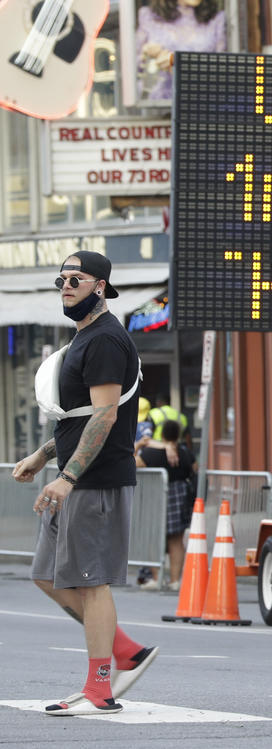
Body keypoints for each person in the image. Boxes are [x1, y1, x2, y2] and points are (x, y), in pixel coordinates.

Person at [11, 251, 158, 715]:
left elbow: (107, 415)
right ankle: (126, 651)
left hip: (94, 480)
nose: (66, 285)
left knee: (91, 583)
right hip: (73, 476)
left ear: (100, 286)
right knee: (47, 575)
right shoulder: (83, 340)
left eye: (76, 278)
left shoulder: (106, 340)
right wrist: (43, 455)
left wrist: (70, 476)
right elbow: (78, 420)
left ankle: (100, 687)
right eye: (61, 278)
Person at [136, 419, 197, 591]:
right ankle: (175, 581)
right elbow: (194, 468)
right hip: (180, 497)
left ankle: (158, 578)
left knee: (152, 538)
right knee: (176, 539)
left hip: (154, 497)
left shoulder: (149, 453)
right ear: (178, 435)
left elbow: (131, 463)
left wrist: (139, 445)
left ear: (161, 434)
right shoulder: (185, 452)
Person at [136, 0, 226, 103]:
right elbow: (133, 68)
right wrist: (145, 55)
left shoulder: (216, 19)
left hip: (200, 103)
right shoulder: (148, 16)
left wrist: (178, 62)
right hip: (156, 104)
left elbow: (222, 69)